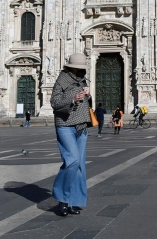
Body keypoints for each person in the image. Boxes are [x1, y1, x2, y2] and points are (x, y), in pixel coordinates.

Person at [50, 52, 92, 216]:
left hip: (81, 125)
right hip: (65, 124)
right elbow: (54, 103)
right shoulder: (62, 80)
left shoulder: (83, 80)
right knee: (72, 161)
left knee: (80, 165)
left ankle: (73, 201)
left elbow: (87, 104)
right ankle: (61, 197)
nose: (79, 70)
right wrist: (73, 99)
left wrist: (88, 95)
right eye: (77, 68)